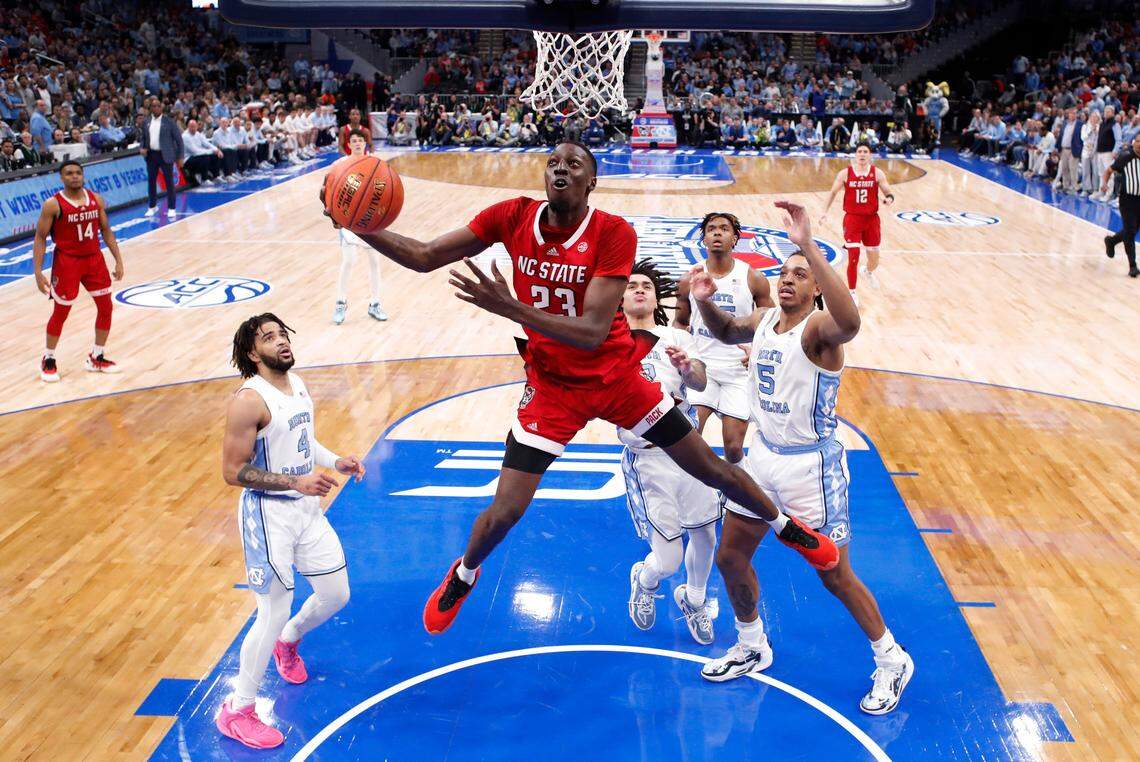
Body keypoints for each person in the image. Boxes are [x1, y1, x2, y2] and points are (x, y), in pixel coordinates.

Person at [323, 140, 839, 637]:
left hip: (615, 377)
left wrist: (510, 308)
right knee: (505, 512)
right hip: (552, 387)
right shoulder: (512, 216)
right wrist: (355, 222)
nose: (560, 169)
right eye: (553, 162)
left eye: (573, 164)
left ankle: (785, 526)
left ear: (591, 182)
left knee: (707, 465)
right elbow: (423, 254)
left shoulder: (613, 232)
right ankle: (463, 575)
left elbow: (593, 330)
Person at [694, 201, 914, 716]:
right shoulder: (767, 318)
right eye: (784, 272)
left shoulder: (818, 330)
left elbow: (851, 321)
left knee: (834, 574)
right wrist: (704, 302)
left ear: (815, 286)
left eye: (801, 274)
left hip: (811, 469)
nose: (788, 279)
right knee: (730, 557)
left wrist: (811, 245)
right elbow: (726, 332)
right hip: (762, 459)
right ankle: (752, 645)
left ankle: (891, 658)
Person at [217, 314, 365, 749]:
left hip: (306, 510)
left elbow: (302, 441)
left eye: (282, 333)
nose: (281, 341)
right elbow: (232, 472)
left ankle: (289, 641)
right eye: (269, 337)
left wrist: (334, 460)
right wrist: (295, 482)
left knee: (337, 595)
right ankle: (237, 709)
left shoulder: (296, 384)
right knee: (271, 610)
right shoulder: (248, 401)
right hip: (269, 517)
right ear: (251, 353)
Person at [620, 260, 721, 645]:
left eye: (646, 284)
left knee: (706, 535)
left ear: (655, 295)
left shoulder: (674, 337)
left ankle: (694, 599)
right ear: (620, 298)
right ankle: (644, 581)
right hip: (648, 458)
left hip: (689, 448)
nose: (640, 289)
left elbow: (699, 379)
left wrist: (688, 366)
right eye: (631, 285)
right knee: (667, 561)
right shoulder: (607, 343)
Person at [674, 212, 772, 480]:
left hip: (738, 368)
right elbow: (680, 323)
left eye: (724, 229)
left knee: (732, 447)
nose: (717, 233)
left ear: (735, 238)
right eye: (712, 229)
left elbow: (774, 325)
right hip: (701, 367)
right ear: (703, 238)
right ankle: (696, 491)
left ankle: (741, 488)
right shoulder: (688, 279)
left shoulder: (753, 278)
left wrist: (757, 352)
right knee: (691, 436)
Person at [31, 161, 124, 382]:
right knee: (61, 312)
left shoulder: (96, 199)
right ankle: (48, 358)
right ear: (62, 178)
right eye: (69, 173)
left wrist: (118, 260)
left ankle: (97, 356)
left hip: (94, 259)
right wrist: (38, 271)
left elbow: (106, 231)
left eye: (78, 173)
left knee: (106, 306)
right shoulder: (53, 204)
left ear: (83, 175)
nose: (75, 176)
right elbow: (40, 237)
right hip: (68, 262)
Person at [819, 142, 896, 301]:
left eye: (865, 151)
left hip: (872, 220)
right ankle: (852, 292)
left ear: (870, 155)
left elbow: (888, 192)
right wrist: (824, 212)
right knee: (853, 256)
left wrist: (889, 199)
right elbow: (833, 192)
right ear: (855, 154)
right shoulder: (845, 174)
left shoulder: (877, 173)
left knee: (874, 258)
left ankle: (867, 271)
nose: (862, 154)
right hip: (852, 219)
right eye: (859, 151)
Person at [332, 130, 388, 324]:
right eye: (353, 141)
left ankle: (375, 303)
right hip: (348, 220)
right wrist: (333, 213)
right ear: (349, 144)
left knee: (375, 262)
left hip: (370, 219)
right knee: (348, 261)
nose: (357, 143)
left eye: (360, 140)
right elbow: (327, 190)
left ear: (365, 142)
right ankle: (340, 303)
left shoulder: (376, 164)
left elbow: (385, 190)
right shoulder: (339, 165)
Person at [1101, 132, 1140, 278]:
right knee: (1130, 232)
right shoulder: (1125, 157)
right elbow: (1109, 170)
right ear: (1134, 142)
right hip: (1127, 200)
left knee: (1132, 230)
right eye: (1138, 142)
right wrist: (1104, 183)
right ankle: (1133, 266)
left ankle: (1111, 241)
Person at [140, 98, 184, 218]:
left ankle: (172, 207)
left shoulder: (169, 122)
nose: (156, 108)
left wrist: (180, 157)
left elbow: (179, 140)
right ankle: (152, 206)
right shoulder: (146, 122)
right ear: (150, 109)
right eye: (153, 106)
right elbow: (143, 137)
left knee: (169, 182)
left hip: (166, 155)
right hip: (151, 155)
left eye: (158, 106)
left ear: (161, 107)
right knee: (151, 181)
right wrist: (142, 147)